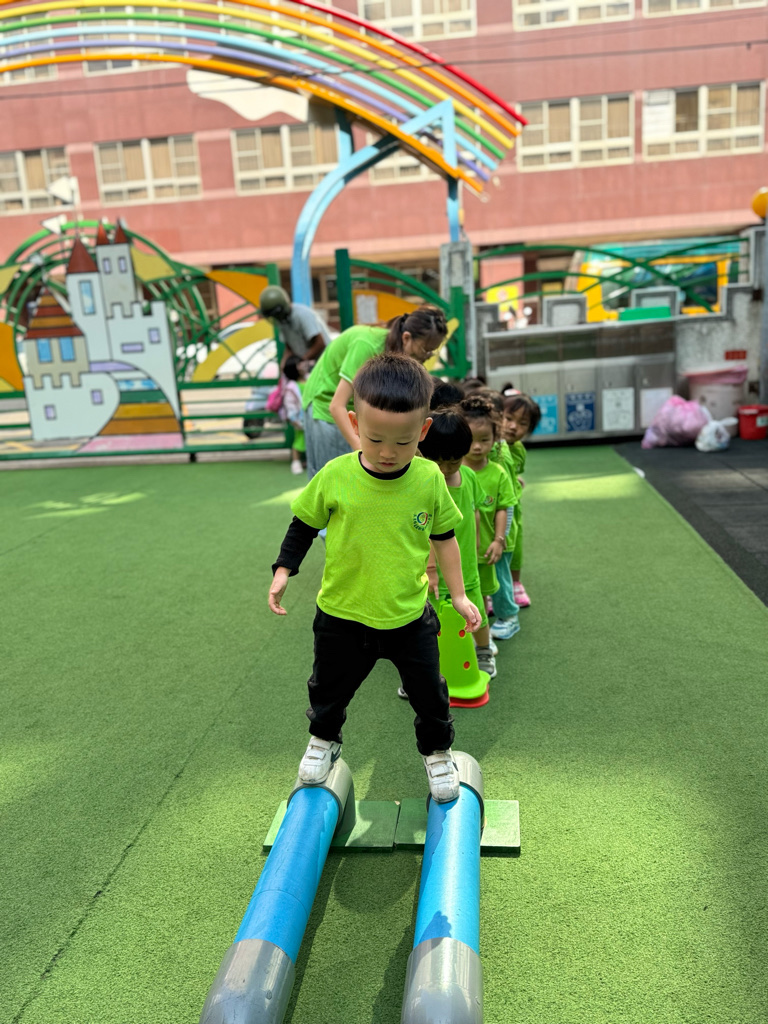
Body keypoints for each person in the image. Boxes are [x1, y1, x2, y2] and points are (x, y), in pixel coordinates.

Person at [268, 353, 481, 803]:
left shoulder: (428, 478)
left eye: (403, 442)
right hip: (342, 613)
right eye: (375, 438)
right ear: (354, 422)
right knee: (328, 688)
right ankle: (323, 741)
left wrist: (460, 595)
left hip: (408, 614)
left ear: (423, 430)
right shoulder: (336, 475)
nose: (387, 452)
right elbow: (303, 524)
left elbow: (445, 539)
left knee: (430, 694)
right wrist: (284, 569)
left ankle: (437, 752)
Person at [301, 306, 448, 479]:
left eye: (433, 350)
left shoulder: (397, 354)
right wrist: (361, 450)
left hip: (355, 409)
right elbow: (336, 405)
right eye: (425, 349)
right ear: (406, 337)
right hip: (324, 403)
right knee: (333, 476)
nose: (428, 356)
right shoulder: (366, 345)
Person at [414, 401, 498, 680]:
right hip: (432, 572)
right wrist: (430, 569)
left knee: (476, 612)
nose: (445, 468)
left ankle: (483, 651)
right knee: (430, 621)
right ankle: (427, 670)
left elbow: (475, 511)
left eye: (453, 461)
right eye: (438, 461)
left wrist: (479, 543)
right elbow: (426, 529)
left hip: (466, 567)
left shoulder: (469, 476)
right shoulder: (423, 482)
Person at [460, 394, 516, 641]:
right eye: (471, 440)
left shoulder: (498, 473)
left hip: (486, 549)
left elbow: (503, 507)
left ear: (495, 438)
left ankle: (490, 632)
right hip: (459, 549)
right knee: (463, 593)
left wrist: (499, 540)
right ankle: (471, 636)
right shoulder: (453, 470)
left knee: (487, 589)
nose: (477, 447)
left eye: (484, 440)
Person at [501, 392, 541, 608]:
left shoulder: (518, 450)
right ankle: (493, 588)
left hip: (514, 506)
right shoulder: (493, 446)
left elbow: (513, 470)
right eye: (508, 418)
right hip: (493, 507)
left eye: (522, 423)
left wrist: (516, 478)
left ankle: (515, 583)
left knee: (515, 544)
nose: (513, 426)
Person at [259, 286, 331, 368]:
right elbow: (289, 348)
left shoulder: (302, 314)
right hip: (309, 365)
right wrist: (283, 366)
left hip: (324, 361)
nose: (277, 318)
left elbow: (320, 343)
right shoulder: (282, 321)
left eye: (277, 315)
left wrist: (301, 360)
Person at [281, 355, 309, 475]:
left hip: (311, 415)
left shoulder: (309, 378)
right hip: (300, 418)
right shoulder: (291, 386)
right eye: (300, 364)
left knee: (310, 440)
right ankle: (296, 461)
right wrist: (294, 418)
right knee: (299, 440)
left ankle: (306, 461)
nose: (304, 365)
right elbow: (290, 404)